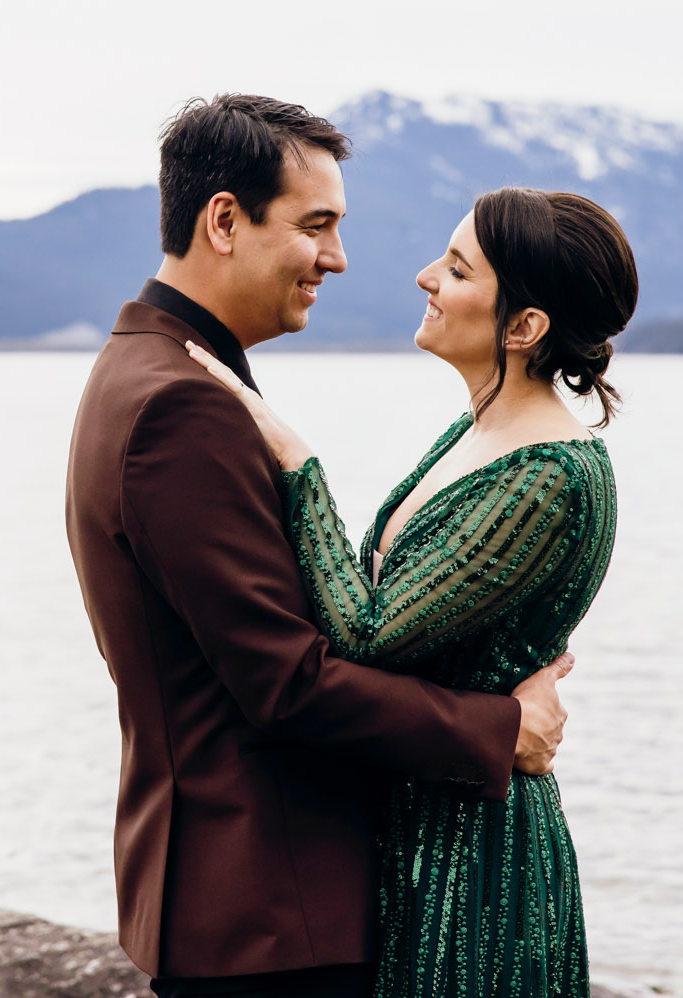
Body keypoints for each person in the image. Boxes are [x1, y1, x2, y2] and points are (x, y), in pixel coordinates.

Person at [64, 94, 575, 998]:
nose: (336, 259)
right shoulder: (183, 406)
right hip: (270, 913)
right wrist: (501, 730)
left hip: (244, 904)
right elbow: (284, 683)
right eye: (317, 226)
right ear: (225, 220)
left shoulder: (151, 369)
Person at [188, 186, 638, 998]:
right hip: (424, 816)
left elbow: (364, 631)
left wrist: (296, 464)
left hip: (473, 857)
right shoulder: (477, 432)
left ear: (524, 327)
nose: (426, 276)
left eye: (458, 270)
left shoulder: (549, 478)